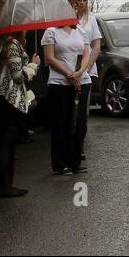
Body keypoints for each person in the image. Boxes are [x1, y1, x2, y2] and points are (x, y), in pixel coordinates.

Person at [0, 31, 37, 198]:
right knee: (6, 143)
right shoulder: (12, 44)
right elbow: (18, 76)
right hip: (8, 99)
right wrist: (33, 65)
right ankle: (5, 184)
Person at [41, 13, 91, 176]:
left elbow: (86, 55)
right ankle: (60, 163)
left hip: (81, 80)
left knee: (79, 123)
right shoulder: (51, 31)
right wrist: (70, 74)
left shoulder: (80, 31)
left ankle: (75, 161)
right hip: (59, 82)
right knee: (61, 122)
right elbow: (49, 58)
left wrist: (80, 72)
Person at [67, 0, 102, 165]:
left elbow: (96, 46)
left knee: (82, 113)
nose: (82, 3)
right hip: (69, 71)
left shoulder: (91, 20)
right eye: (78, 0)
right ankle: (68, 146)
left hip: (87, 70)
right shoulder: (66, 19)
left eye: (84, 0)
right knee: (70, 112)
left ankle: (79, 146)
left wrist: (86, 68)